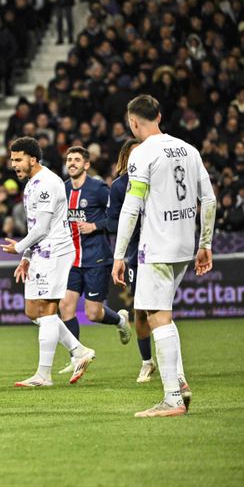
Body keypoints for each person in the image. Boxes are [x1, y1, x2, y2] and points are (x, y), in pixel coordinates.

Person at [112, 95, 216, 418]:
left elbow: (132, 207)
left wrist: (118, 254)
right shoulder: (189, 149)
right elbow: (209, 199)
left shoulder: (141, 154)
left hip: (156, 246)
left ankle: (172, 399)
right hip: (185, 246)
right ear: (159, 115)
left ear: (133, 122)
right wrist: (205, 243)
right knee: (163, 315)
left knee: (157, 316)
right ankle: (179, 382)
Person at [1, 137, 96, 387]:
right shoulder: (32, 183)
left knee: (47, 309)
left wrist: (19, 247)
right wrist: (26, 257)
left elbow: (43, 227)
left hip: (55, 252)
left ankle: (44, 375)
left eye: (18, 159)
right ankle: (78, 351)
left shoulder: (47, 184)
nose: (14, 165)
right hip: (40, 252)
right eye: (12, 160)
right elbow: (35, 226)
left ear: (33, 159)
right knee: (33, 311)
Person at [58, 145, 131, 375]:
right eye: (69, 159)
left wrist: (94, 226)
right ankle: (76, 356)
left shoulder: (98, 189)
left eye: (77, 159)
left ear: (86, 165)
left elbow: (116, 219)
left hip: (96, 259)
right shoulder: (63, 189)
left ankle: (120, 321)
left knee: (92, 313)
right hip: (72, 260)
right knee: (65, 306)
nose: (72, 163)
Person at [105, 139, 156, 382]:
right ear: (126, 158)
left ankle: (171, 362)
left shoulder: (158, 181)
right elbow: (111, 221)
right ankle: (147, 362)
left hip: (161, 248)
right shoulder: (118, 187)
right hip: (136, 253)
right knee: (142, 310)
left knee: (162, 309)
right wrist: (129, 222)